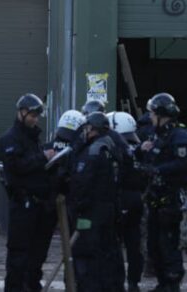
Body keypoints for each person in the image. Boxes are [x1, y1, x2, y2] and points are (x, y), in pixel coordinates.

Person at [1, 93, 56, 292]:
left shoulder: (34, 139)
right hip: (23, 206)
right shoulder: (11, 139)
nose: (34, 119)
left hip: (39, 206)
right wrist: (43, 157)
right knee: (18, 256)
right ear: (21, 112)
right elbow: (17, 167)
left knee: (37, 256)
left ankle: (32, 287)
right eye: (31, 115)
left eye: (36, 116)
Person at [138, 92, 187, 292]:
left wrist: (158, 170)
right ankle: (162, 283)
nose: (150, 118)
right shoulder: (157, 136)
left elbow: (183, 164)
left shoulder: (179, 137)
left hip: (170, 200)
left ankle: (172, 283)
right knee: (154, 246)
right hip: (154, 199)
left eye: (152, 114)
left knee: (168, 244)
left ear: (161, 114)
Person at [69, 112, 120, 292]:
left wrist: (76, 206)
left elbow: (82, 182)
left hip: (90, 212)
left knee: (86, 256)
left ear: (92, 129)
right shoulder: (112, 147)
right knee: (106, 256)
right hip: (108, 209)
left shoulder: (93, 150)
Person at [111, 111, 145, 292]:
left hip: (120, 199)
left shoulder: (116, 147)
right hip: (137, 199)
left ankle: (118, 282)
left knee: (114, 244)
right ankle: (134, 282)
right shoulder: (138, 147)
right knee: (134, 244)